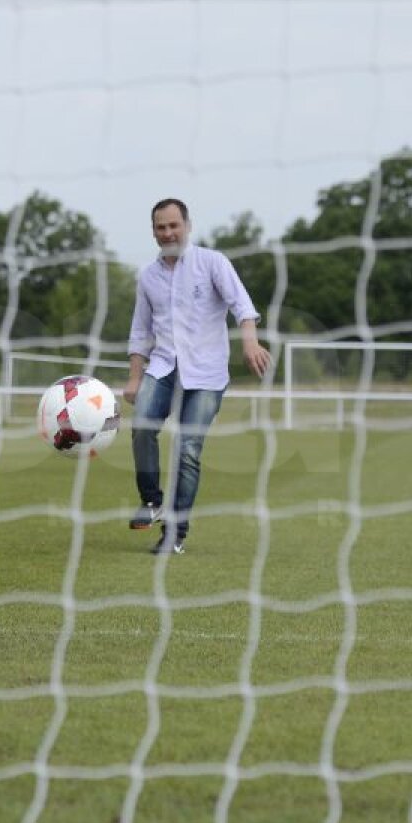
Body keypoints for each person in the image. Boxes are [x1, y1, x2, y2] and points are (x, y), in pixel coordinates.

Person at [124, 198, 271, 555]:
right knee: (142, 425)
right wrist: (133, 378)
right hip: (163, 367)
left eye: (174, 225)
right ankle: (152, 500)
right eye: (161, 227)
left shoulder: (212, 263)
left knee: (188, 449)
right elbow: (141, 331)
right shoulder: (148, 276)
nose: (168, 232)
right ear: (154, 232)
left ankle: (176, 533)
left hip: (206, 373)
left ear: (187, 226)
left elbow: (242, 306)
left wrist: (250, 342)